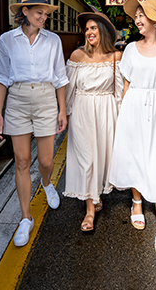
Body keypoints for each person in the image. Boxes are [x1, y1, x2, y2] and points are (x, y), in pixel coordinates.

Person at [107, 0, 156, 255]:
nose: (137, 19)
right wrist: (122, 114)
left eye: (142, 15)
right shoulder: (131, 49)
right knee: (134, 156)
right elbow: (127, 84)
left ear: (155, 20)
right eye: (136, 15)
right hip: (133, 108)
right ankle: (137, 202)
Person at [0, 0, 68, 247]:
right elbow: (2, 76)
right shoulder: (7, 40)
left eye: (45, 13)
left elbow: (60, 77)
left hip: (46, 99)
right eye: (39, 13)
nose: (43, 17)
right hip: (17, 100)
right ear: (24, 11)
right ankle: (26, 218)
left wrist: (62, 110)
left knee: (46, 161)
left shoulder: (53, 40)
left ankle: (46, 183)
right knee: (22, 160)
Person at [64, 12, 123, 231]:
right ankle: (89, 210)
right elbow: (69, 89)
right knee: (86, 158)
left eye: (93, 28)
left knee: (101, 157)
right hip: (82, 111)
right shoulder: (77, 56)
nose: (89, 32)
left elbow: (119, 91)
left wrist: (123, 118)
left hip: (107, 111)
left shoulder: (116, 57)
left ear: (103, 31)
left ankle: (95, 194)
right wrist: (64, 114)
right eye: (87, 29)